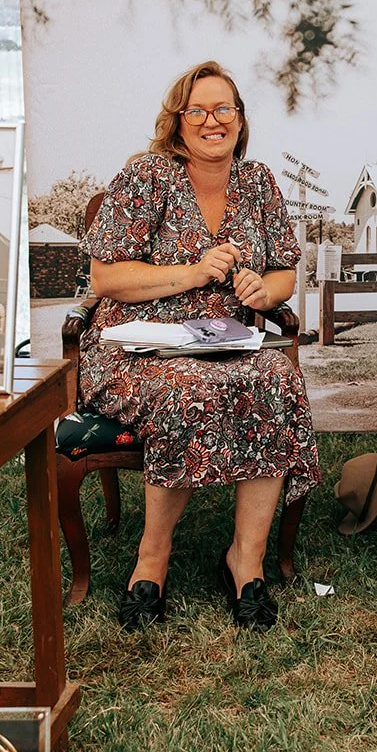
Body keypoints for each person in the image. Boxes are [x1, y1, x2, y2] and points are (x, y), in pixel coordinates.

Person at [80, 61, 319, 632]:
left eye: (224, 108)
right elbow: (105, 278)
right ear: (178, 121)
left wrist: (265, 290)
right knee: (189, 388)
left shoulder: (259, 181)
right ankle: (150, 564)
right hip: (138, 344)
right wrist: (192, 273)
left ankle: (247, 563)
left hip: (229, 339)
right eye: (199, 110)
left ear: (240, 118)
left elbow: (286, 272)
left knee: (276, 379)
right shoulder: (148, 176)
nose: (213, 120)